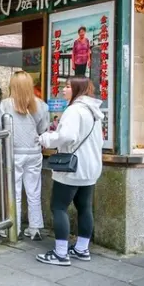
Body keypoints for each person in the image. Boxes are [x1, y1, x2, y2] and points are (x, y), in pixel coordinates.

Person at [37, 77, 104, 266]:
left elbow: (66, 136)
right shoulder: (93, 111)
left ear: (77, 89)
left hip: (72, 168)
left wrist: (46, 139)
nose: (63, 90)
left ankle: (60, 253)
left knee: (58, 207)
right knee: (84, 207)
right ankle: (82, 249)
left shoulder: (74, 110)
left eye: (67, 86)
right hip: (90, 168)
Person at [0, 71, 49, 241]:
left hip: (13, 152)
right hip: (34, 152)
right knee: (34, 191)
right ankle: (35, 228)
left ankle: (15, 228)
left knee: (15, 192)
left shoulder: (5, 105)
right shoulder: (41, 105)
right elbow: (43, 129)